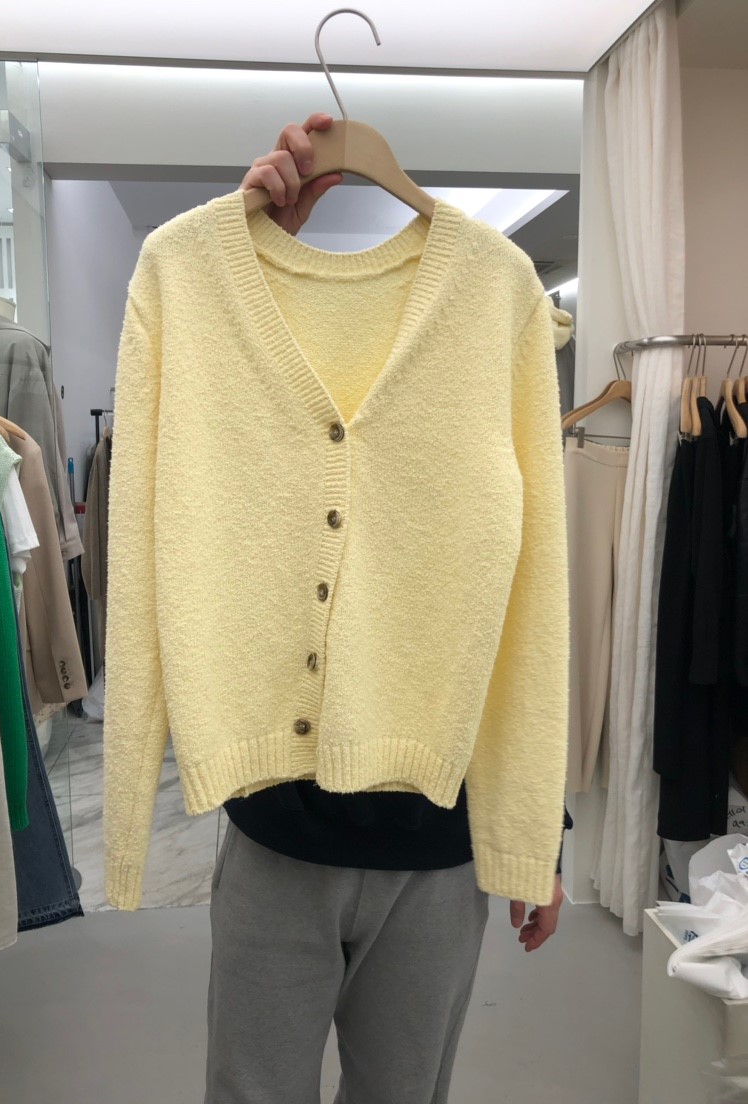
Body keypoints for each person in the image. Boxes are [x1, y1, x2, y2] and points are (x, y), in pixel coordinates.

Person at [203, 112, 571, 1104]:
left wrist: (534, 830)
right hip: (277, 827)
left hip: (439, 843)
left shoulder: (498, 303)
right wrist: (251, 253)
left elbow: (531, 599)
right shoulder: (231, 317)